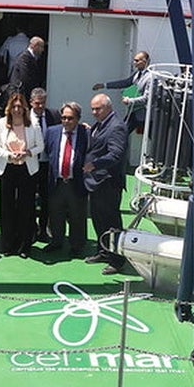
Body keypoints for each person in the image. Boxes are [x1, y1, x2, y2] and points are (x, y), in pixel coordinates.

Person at [0, 91, 44, 258]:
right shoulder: (1, 123)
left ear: (24, 108)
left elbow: (40, 146)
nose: (16, 110)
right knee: (6, 207)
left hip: (27, 169)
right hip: (7, 168)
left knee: (26, 207)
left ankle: (24, 246)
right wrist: (8, 155)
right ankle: (8, 245)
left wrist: (27, 153)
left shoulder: (33, 123)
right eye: (14, 106)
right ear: (9, 108)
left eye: (19, 107)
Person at [83, 93, 129, 274]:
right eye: (92, 109)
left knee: (111, 222)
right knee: (98, 219)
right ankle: (103, 251)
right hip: (96, 182)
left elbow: (115, 154)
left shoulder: (116, 127)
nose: (94, 112)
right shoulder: (102, 124)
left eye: (98, 109)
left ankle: (117, 260)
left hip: (108, 182)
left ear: (108, 107)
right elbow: (99, 143)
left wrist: (95, 164)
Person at [43, 102, 90, 256]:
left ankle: (76, 245)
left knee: (77, 215)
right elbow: (47, 151)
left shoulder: (86, 133)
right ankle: (56, 241)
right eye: (63, 118)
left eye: (70, 118)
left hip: (75, 181)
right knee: (56, 213)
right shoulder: (52, 132)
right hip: (56, 181)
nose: (66, 121)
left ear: (78, 119)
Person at [28, 87, 60, 242]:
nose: (40, 106)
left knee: (46, 198)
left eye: (43, 103)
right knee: (29, 197)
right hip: (31, 163)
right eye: (37, 103)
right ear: (31, 102)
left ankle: (43, 229)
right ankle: (31, 229)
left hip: (48, 164)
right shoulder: (25, 117)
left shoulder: (54, 115)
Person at [8, 35, 46, 100]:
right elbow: (25, 78)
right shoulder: (24, 58)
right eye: (41, 47)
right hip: (21, 94)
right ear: (34, 46)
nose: (42, 50)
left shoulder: (31, 58)